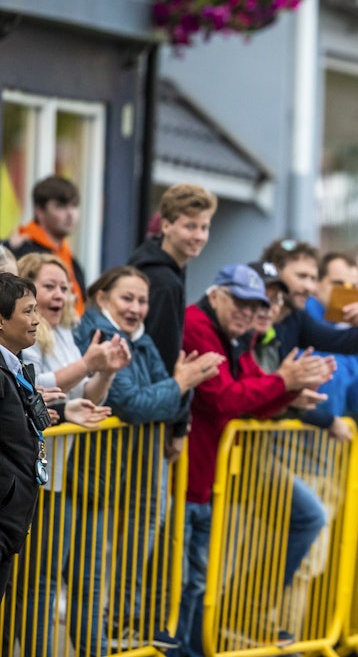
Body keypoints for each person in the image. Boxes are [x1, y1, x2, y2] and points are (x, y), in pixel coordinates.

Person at [178, 264, 333, 655]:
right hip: (188, 471)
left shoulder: (235, 336)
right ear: (216, 296)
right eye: (240, 303)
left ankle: (216, 634)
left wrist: (288, 391)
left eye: (256, 306)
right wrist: (284, 382)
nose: (249, 314)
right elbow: (225, 399)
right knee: (182, 581)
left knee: (197, 579)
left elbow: (248, 397)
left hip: (209, 474)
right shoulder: (198, 326)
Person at [72, 266, 225, 654]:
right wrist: (180, 382)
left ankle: (124, 626)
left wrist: (174, 387)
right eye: (128, 298)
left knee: (138, 547)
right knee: (88, 572)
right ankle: (99, 644)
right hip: (95, 472)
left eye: (143, 300)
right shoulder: (98, 335)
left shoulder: (141, 339)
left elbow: (166, 398)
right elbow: (134, 404)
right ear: (102, 297)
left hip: (133, 470)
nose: (137, 308)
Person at [11, 254, 130, 657]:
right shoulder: (25, 336)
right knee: (39, 580)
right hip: (36, 472)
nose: (59, 294)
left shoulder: (66, 332)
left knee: (69, 578)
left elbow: (80, 399)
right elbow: (34, 391)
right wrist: (86, 365)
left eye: (64, 287)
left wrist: (105, 370)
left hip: (60, 472)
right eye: (49, 286)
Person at [0, 273, 109, 600]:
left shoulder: (15, 365)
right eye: (28, 311)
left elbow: (20, 425)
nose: (37, 320)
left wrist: (61, 406)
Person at [128, 183, 218, 461]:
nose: (199, 236)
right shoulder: (165, 282)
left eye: (204, 227)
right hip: (151, 415)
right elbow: (163, 358)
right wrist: (178, 424)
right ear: (166, 225)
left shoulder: (158, 267)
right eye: (190, 226)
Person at [4, 176, 88, 315]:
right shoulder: (21, 251)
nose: (70, 214)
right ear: (39, 211)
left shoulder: (70, 258)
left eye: (74, 205)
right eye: (60, 206)